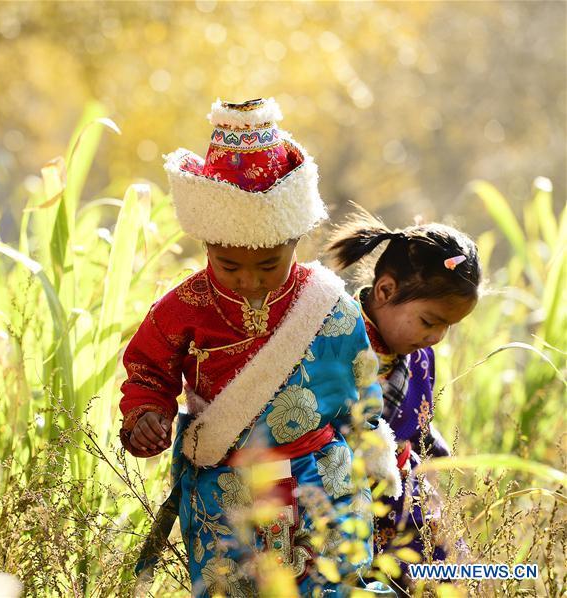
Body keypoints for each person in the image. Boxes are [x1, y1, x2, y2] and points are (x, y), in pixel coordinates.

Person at [119, 98, 399, 596]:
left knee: (332, 586)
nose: (249, 280)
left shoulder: (330, 308)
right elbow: (147, 375)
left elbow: (361, 394)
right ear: (206, 245)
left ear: (296, 240)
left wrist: (372, 457)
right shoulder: (180, 309)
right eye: (228, 265)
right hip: (225, 493)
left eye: (269, 265)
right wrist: (146, 416)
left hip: (322, 481)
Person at [326, 209, 481, 591]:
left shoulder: (420, 356)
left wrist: (437, 457)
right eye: (430, 322)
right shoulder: (333, 340)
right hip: (343, 501)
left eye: (448, 326)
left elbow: (420, 425)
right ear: (385, 291)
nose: (438, 337)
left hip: (406, 503)